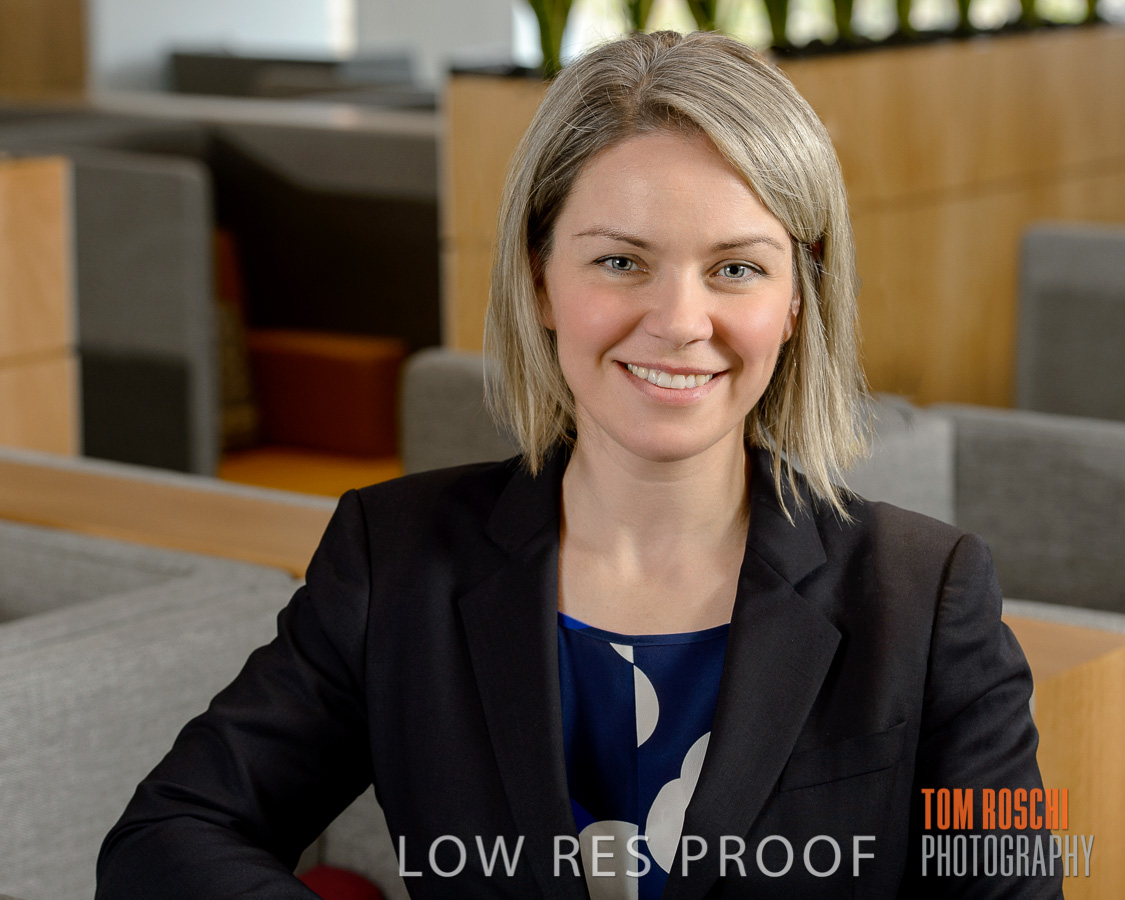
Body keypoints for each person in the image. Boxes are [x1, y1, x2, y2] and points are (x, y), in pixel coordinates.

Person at [97, 30, 1061, 899]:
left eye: (736, 267)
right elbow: (166, 837)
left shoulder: (930, 593)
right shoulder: (391, 559)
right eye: (619, 262)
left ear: (797, 298)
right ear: (538, 279)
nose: (679, 322)